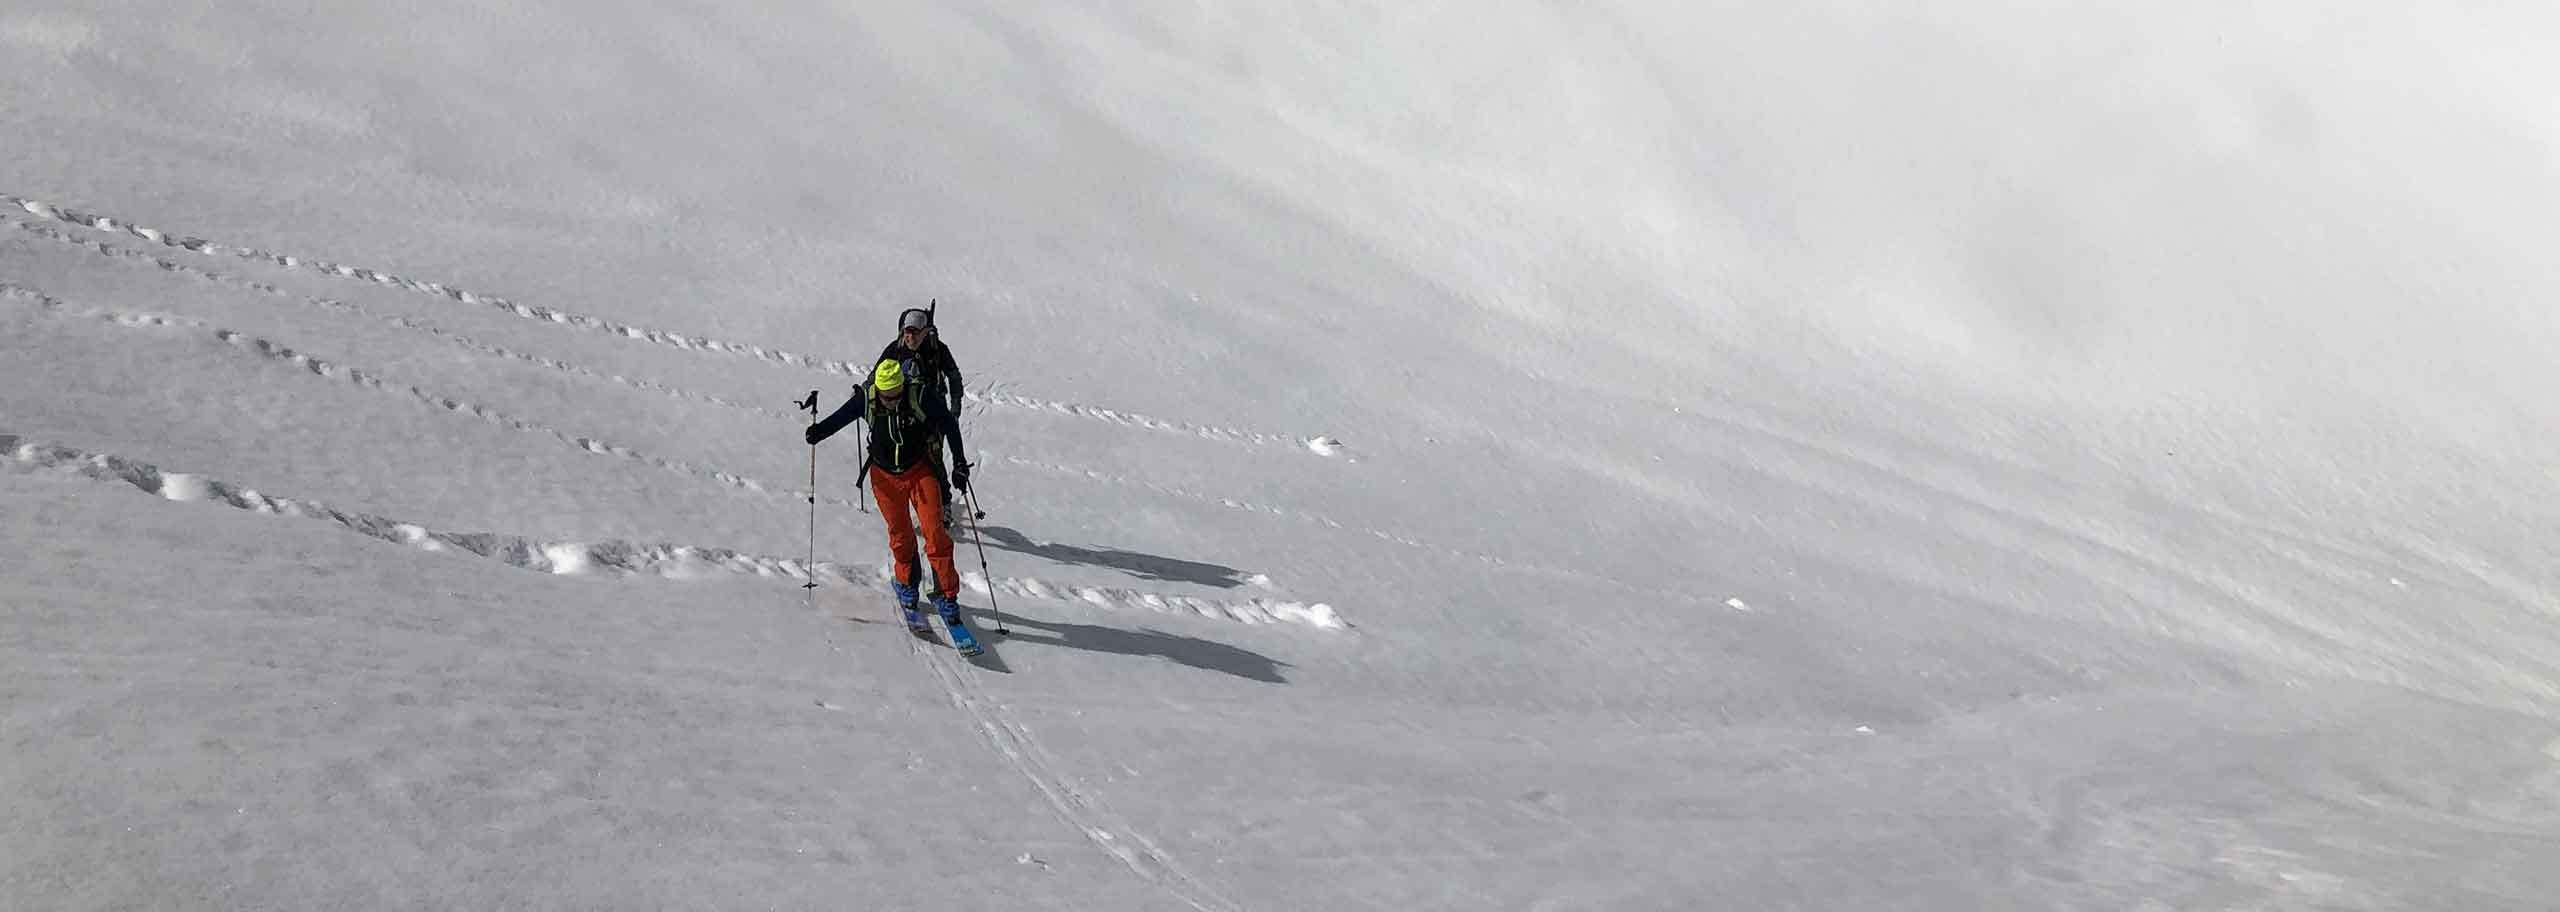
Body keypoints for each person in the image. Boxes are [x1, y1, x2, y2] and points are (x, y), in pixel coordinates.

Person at [806, 357, 980, 651]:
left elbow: (949, 423)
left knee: (935, 533)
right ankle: (907, 585)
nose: (892, 401)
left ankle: (946, 596)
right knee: (901, 535)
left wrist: (960, 463)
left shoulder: (919, 395)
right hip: (884, 478)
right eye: (887, 396)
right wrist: (817, 432)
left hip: (920, 471)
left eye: (896, 394)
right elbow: (840, 418)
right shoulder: (868, 399)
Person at [877, 307, 965, 520]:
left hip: (933, 411)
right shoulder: (895, 349)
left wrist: (954, 407)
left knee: (934, 456)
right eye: (907, 332)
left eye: (915, 333)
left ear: (926, 332)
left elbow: (954, 377)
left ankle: (943, 504)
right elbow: (877, 374)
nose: (910, 337)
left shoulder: (937, 349)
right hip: (903, 409)